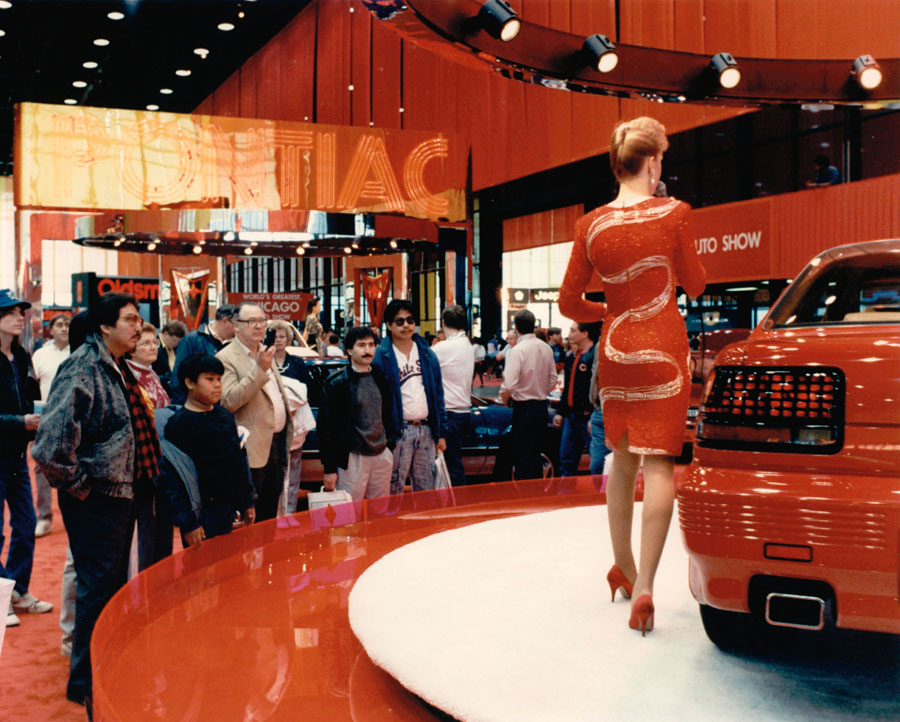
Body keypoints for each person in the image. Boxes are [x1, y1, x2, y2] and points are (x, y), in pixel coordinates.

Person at [558, 117, 707, 636]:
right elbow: (697, 284)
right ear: (654, 163)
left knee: (621, 457)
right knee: (660, 465)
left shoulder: (590, 224)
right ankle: (645, 585)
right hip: (664, 343)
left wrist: (610, 312)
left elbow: (569, 302)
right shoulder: (675, 213)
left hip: (616, 348)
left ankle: (622, 566)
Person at [34, 293, 158, 712]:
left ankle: (99, 673)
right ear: (104, 327)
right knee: (97, 590)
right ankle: (85, 682)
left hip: (119, 493)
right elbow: (50, 448)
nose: (138, 326)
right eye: (129, 320)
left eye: (138, 320)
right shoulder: (83, 367)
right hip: (98, 498)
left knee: (109, 588)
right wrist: (83, 487)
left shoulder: (115, 365)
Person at [157, 354, 255, 546]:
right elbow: (173, 479)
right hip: (201, 515)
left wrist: (248, 501)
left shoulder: (224, 416)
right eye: (209, 379)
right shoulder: (178, 425)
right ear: (190, 383)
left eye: (219, 379)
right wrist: (188, 523)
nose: (217, 385)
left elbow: (239, 461)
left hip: (229, 510)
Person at [0, 290, 52, 628]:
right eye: (12, 312)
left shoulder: (21, 356)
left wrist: (36, 418)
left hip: (18, 456)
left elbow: (30, 401)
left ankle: (17, 590)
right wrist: (20, 422)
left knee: (25, 525)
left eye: (21, 311)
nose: (21, 317)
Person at [217, 302, 292, 522]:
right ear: (236, 326)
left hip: (276, 443)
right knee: (250, 517)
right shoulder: (225, 358)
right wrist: (259, 369)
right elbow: (228, 401)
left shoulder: (265, 351)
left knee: (269, 515)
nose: (259, 326)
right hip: (249, 449)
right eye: (251, 321)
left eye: (262, 321)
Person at [373, 299, 447, 495]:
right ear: (389, 325)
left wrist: (440, 432)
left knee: (427, 492)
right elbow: (376, 401)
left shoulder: (427, 354)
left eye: (410, 320)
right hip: (398, 432)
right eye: (400, 321)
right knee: (392, 490)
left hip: (426, 430)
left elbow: (438, 395)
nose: (406, 325)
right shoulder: (381, 356)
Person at [317, 326, 398, 502]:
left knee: (379, 511)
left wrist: (389, 446)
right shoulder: (337, 383)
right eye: (361, 345)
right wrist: (329, 468)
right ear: (349, 350)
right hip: (352, 458)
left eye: (371, 345)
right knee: (349, 512)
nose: (367, 350)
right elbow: (326, 429)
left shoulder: (381, 378)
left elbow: (388, 415)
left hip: (381, 455)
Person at [125, 322, 172, 569]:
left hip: (162, 457)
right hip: (143, 463)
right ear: (132, 348)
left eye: (155, 342)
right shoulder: (129, 375)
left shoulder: (151, 373)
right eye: (146, 343)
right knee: (145, 533)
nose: (153, 347)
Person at [499, 310, 557, 481]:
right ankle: (537, 493)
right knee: (536, 456)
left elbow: (509, 384)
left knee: (523, 458)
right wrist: (541, 391)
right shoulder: (546, 348)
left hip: (523, 409)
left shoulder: (517, 350)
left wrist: (505, 399)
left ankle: (527, 494)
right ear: (534, 325)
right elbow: (553, 379)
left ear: (516, 327)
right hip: (541, 407)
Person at [30, 312, 70, 538]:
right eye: (60, 325)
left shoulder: (78, 351)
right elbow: (31, 385)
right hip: (45, 417)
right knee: (41, 467)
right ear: (51, 329)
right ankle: (44, 517)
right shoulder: (40, 355)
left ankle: (74, 516)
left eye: (67, 325)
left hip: (73, 417)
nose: (64, 328)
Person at [269, 319, 314, 514]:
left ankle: (290, 512)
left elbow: (307, 390)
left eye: (282, 336)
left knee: (294, 472)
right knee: (273, 474)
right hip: (272, 424)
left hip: (296, 424)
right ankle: (274, 514)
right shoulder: (264, 361)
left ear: (288, 339)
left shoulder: (297, 362)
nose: (278, 340)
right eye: (275, 337)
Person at [431, 305, 474, 487]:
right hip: (463, 410)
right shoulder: (467, 345)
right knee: (454, 462)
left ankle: (456, 501)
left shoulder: (443, 348)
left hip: (450, 413)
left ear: (443, 323)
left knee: (450, 466)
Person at [552, 322, 597, 477]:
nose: (569, 335)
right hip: (571, 416)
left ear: (584, 334)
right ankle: (566, 492)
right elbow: (567, 387)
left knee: (596, 462)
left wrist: (594, 413)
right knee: (566, 459)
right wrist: (561, 412)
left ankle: (601, 491)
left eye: (573, 331)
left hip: (587, 416)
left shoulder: (593, 356)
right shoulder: (572, 356)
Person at [170, 304, 236, 403]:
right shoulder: (192, 340)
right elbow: (178, 377)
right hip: (195, 405)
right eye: (236, 325)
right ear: (225, 321)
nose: (238, 329)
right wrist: (189, 406)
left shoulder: (235, 343)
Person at [152, 320, 187, 394]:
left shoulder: (175, 348)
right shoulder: (154, 347)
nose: (175, 344)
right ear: (165, 334)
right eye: (174, 340)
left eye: (178, 342)